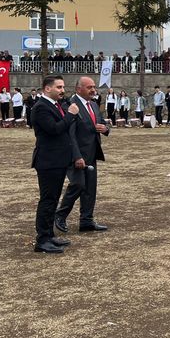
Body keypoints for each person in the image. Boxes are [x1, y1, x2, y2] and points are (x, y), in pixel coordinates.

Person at [30, 75, 80, 253]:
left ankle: (49, 235)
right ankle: (42, 240)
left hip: (58, 160)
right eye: (58, 87)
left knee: (53, 200)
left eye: (63, 87)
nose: (62, 90)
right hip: (48, 161)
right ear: (47, 89)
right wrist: (70, 115)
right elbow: (54, 129)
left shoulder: (55, 105)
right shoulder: (41, 108)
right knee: (48, 200)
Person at [55, 76, 110, 234]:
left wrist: (105, 129)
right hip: (76, 154)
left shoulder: (93, 104)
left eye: (94, 87)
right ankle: (60, 214)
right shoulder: (70, 105)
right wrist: (77, 156)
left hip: (92, 153)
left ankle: (86, 220)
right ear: (79, 89)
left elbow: (101, 122)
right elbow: (70, 134)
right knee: (78, 184)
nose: (93, 90)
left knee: (90, 188)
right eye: (89, 87)